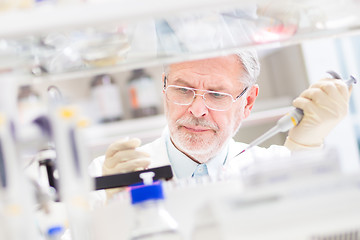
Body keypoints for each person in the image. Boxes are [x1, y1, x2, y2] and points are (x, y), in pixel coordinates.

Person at [89, 50, 351, 200]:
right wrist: (111, 206)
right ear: (164, 86)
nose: (197, 109)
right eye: (182, 89)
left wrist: (307, 146)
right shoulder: (109, 173)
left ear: (248, 102)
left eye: (216, 94)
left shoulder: (277, 166)